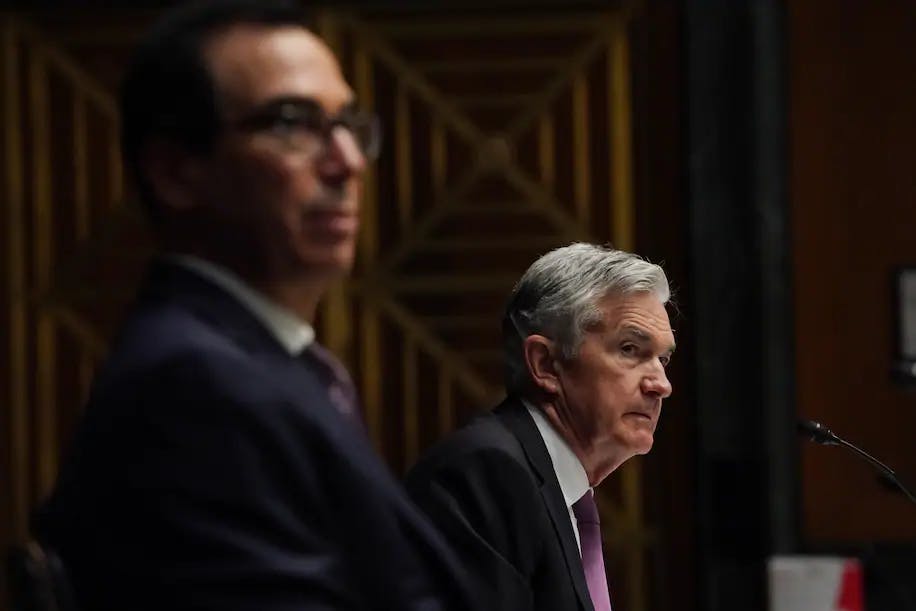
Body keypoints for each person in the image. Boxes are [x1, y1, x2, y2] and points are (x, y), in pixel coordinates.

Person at [35, 1, 472, 609]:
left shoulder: (259, 363)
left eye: (348, 124)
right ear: (175, 171)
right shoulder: (195, 387)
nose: (346, 162)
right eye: (293, 124)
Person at [406, 243, 676, 611]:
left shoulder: (558, 490)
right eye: (630, 349)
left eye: (662, 358)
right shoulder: (484, 473)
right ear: (546, 364)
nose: (661, 384)